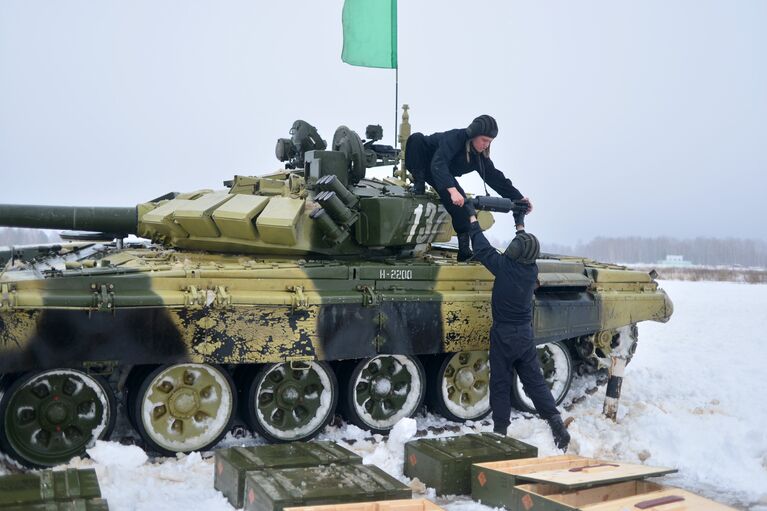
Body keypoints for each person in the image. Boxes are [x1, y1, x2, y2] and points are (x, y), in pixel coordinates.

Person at [466, 210, 571, 450]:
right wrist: (520, 223)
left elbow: (482, 248)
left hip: (503, 335)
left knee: (501, 383)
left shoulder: (503, 267)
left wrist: (472, 220)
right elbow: (524, 246)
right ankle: (556, 423)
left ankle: (500, 431)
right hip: (524, 335)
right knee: (534, 382)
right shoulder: (531, 270)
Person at [404, 115, 532, 261]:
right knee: (416, 138)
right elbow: (438, 162)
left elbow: (496, 178)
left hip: (441, 174)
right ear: (473, 134)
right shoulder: (455, 138)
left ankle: (464, 251)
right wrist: (452, 190)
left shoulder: (478, 156)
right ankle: (418, 185)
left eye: (490, 142)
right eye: (484, 140)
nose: (486, 145)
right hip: (423, 160)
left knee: (463, 206)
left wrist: (519, 198)